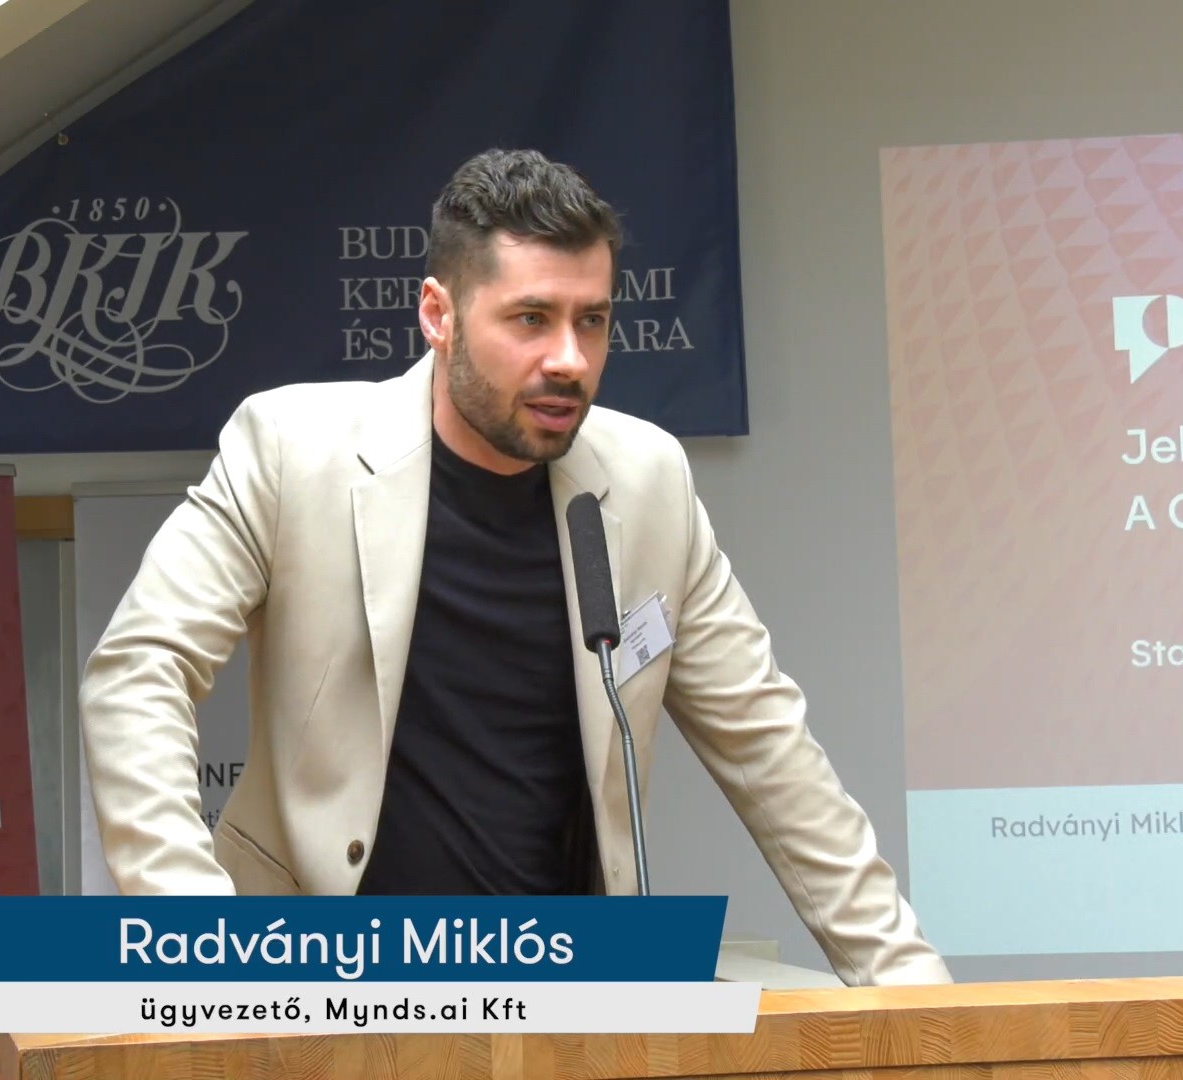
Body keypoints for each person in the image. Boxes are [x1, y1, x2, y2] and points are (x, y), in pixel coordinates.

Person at [78, 147, 951, 986]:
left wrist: (921, 996)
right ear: (439, 314)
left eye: (592, 321)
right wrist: (201, 942)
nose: (568, 359)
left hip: (565, 992)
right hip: (328, 985)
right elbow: (139, 671)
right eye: (532, 319)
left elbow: (770, 748)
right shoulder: (292, 449)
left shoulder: (647, 481)